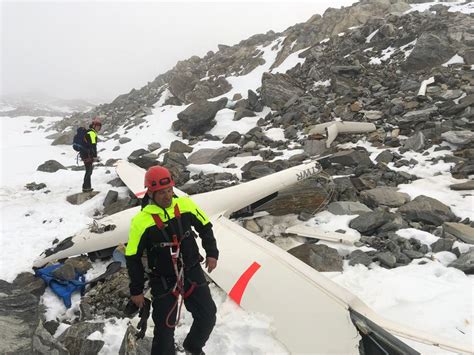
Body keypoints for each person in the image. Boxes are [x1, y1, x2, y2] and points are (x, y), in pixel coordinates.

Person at [125, 165, 218, 355]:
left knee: (208, 316)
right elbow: (132, 257)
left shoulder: (185, 205)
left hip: (191, 270)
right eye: (161, 193)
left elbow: (205, 227)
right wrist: (136, 290)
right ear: (151, 193)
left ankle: (193, 346)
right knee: (165, 331)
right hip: (163, 280)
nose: (167, 196)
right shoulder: (141, 221)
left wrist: (212, 253)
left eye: (169, 191)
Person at [81, 118, 101, 192]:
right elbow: (93, 146)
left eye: (99, 127)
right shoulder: (92, 133)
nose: (99, 128)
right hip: (87, 155)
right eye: (98, 126)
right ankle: (86, 188)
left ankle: (86, 187)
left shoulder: (89, 132)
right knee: (89, 171)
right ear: (94, 126)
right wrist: (95, 156)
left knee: (88, 171)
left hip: (85, 154)